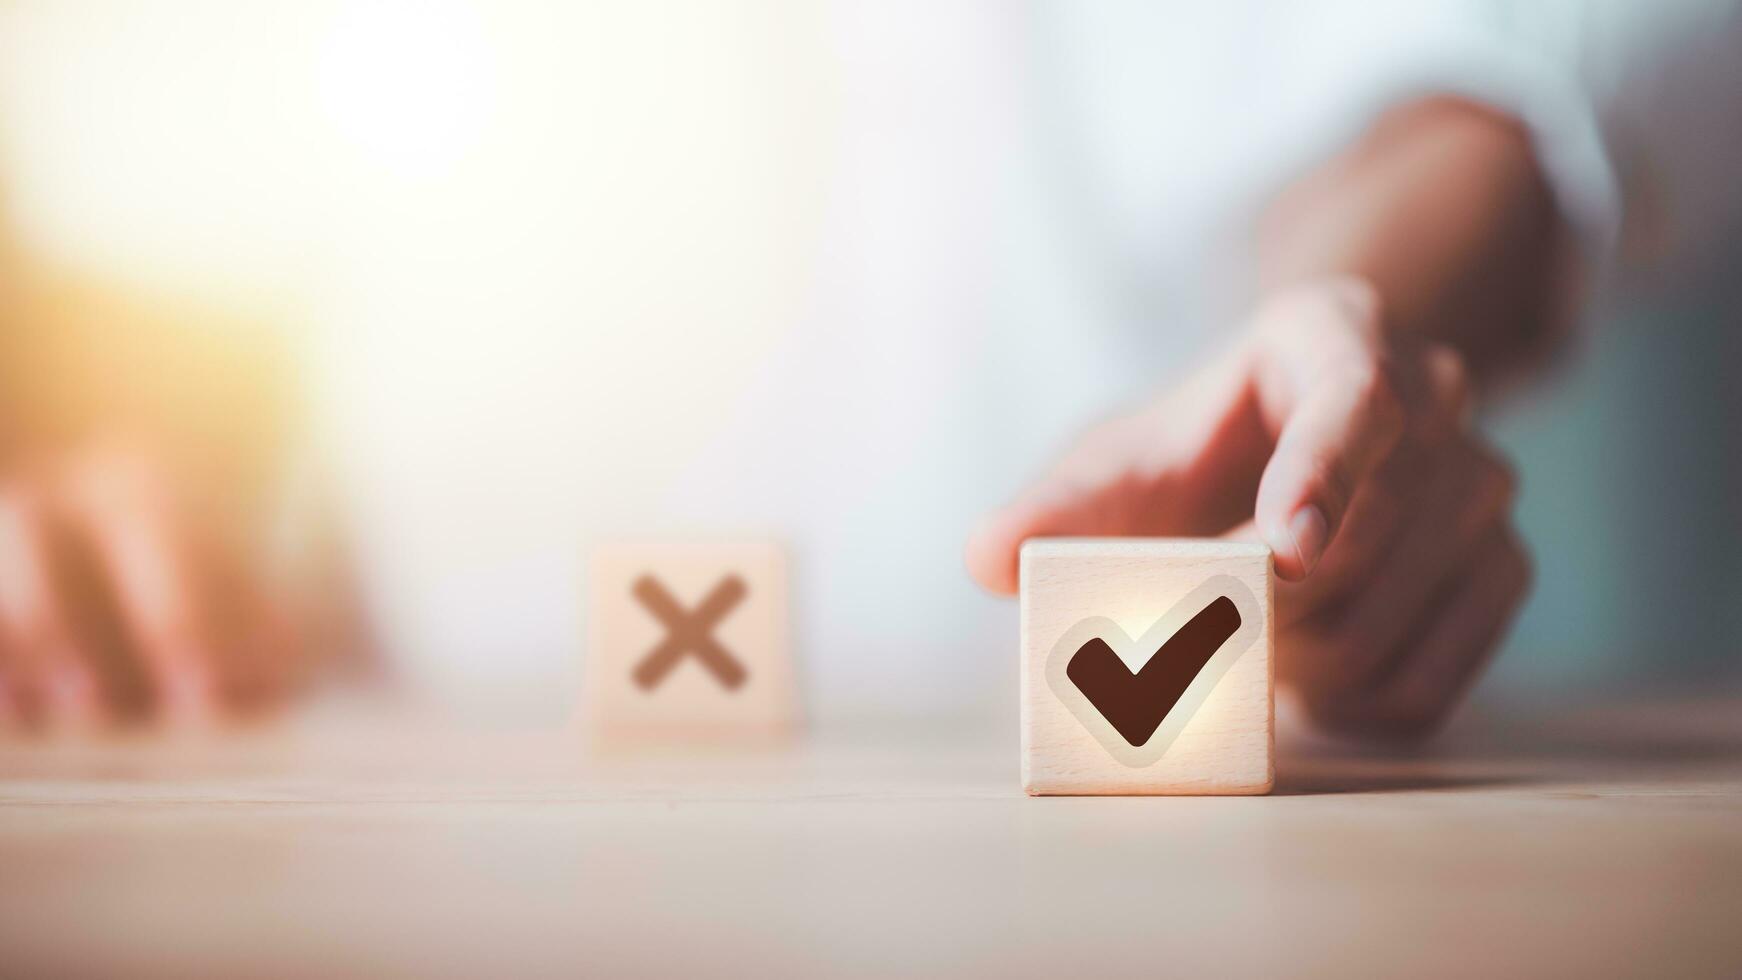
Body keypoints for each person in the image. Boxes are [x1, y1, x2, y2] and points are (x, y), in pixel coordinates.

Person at [0, 2, 1735, 735]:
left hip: (1116, 876)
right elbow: (150, 241)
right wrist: (96, 501)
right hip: (381, 798)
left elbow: (1500, 79)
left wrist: (1331, 341)